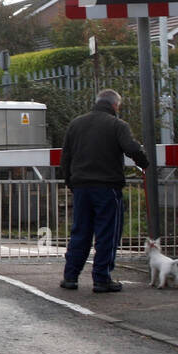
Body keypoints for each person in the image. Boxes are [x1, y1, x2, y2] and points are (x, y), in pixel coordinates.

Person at [60, 88, 149, 293]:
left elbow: (66, 157)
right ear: (115, 105)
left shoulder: (76, 124)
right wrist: (144, 162)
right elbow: (132, 148)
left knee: (80, 232)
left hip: (81, 187)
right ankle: (101, 279)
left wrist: (71, 183)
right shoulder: (117, 125)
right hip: (107, 187)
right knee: (107, 233)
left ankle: (70, 277)